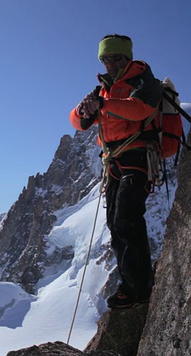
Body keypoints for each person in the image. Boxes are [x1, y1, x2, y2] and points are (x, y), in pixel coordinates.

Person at [69, 34, 163, 309]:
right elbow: (78, 122)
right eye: (105, 59)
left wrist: (103, 105)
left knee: (126, 219)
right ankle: (134, 286)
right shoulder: (103, 90)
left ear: (127, 58)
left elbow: (140, 110)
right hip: (115, 161)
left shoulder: (144, 81)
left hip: (138, 155)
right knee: (117, 222)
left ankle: (137, 288)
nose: (109, 64)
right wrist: (83, 108)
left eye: (115, 58)